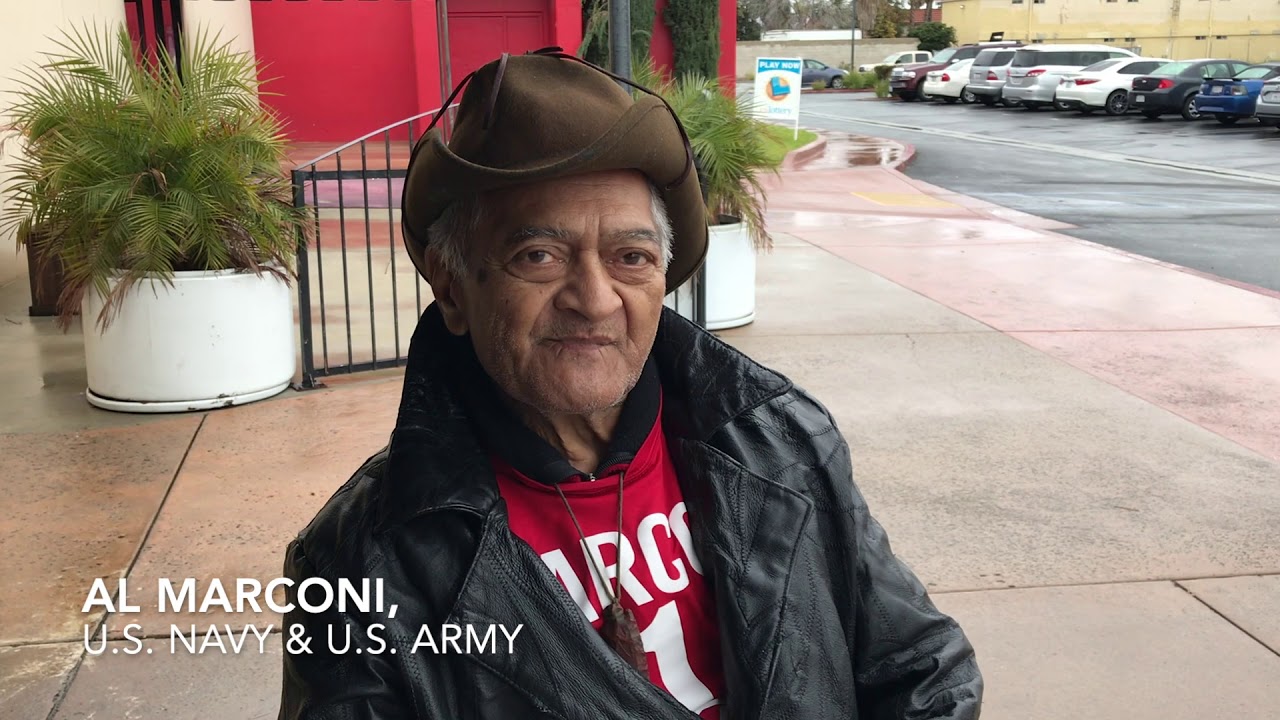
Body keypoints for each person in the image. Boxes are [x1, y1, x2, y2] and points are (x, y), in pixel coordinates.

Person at [277, 49, 982, 720]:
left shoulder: (779, 439)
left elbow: (919, 664)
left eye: (630, 256)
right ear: (453, 287)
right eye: (539, 254)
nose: (594, 297)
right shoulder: (359, 562)